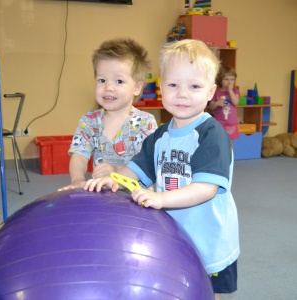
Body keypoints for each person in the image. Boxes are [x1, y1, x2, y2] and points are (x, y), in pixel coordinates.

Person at [84, 39, 240, 299]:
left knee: (205, 290)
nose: (182, 93)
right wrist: (113, 180)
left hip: (207, 237)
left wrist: (160, 198)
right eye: (173, 85)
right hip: (172, 232)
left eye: (194, 86)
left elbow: (206, 188)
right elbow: (135, 170)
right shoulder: (159, 136)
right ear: (161, 88)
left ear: (211, 92)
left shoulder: (211, 134)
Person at [59, 38, 157, 191]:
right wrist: (77, 179)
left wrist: (116, 171)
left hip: (137, 196)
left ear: (137, 87)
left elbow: (145, 162)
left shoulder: (145, 122)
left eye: (119, 81)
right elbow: (79, 155)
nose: (108, 87)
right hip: (103, 193)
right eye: (102, 80)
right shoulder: (89, 121)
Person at [208, 66, 240, 145]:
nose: (229, 82)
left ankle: (229, 157)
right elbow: (210, 108)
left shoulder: (235, 90)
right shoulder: (216, 92)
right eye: (226, 79)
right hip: (220, 123)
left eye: (232, 79)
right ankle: (220, 157)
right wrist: (217, 103)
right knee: (219, 143)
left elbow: (236, 102)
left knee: (230, 143)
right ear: (221, 80)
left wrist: (230, 90)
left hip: (231, 124)